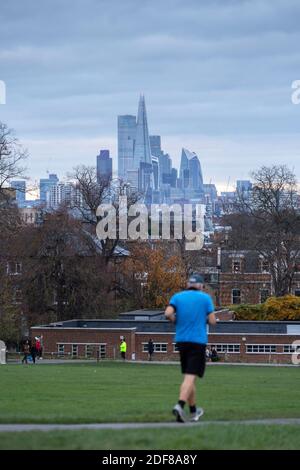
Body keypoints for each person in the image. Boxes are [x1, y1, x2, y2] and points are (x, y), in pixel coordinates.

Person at [165, 273, 216, 423]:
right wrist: (203, 319)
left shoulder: (178, 297)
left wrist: (176, 320)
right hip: (197, 341)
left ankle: (193, 411)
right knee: (189, 377)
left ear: (188, 284)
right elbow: (213, 321)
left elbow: (168, 313)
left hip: (181, 341)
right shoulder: (205, 298)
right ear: (200, 286)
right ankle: (180, 405)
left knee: (189, 376)